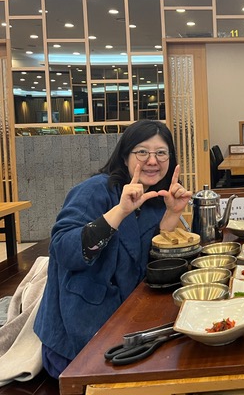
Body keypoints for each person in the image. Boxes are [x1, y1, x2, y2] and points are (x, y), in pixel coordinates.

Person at [34, 120, 192, 378]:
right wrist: (119, 212)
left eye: (161, 153)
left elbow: (149, 265)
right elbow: (63, 249)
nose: (153, 160)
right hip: (78, 335)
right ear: (125, 155)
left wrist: (172, 215)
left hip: (128, 323)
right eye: (142, 152)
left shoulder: (155, 199)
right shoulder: (96, 189)